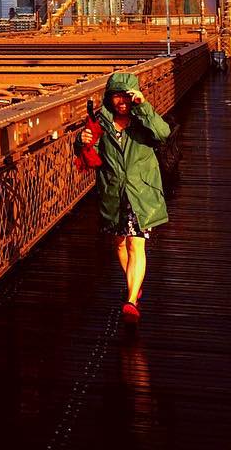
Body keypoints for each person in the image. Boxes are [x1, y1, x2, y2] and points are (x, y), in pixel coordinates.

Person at [96, 71, 171, 324]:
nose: (122, 101)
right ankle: (134, 284)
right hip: (114, 192)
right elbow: (90, 152)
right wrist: (80, 141)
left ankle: (130, 300)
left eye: (126, 95)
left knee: (135, 244)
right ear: (109, 98)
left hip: (140, 191)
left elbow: (163, 133)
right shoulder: (100, 123)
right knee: (119, 244)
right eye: (117, 96)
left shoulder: (143, 121)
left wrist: (144, 106)